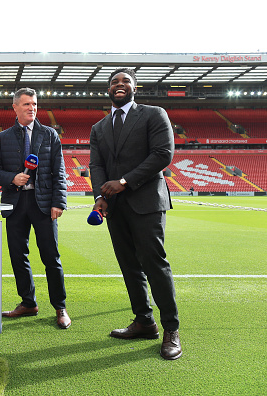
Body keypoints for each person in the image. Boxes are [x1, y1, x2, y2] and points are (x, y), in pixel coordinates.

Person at [89, 68, 182, 360]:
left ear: (134, 88)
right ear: (108, 90)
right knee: (129, 266)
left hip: (146, 202)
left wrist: (124, 182)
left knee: (154, 265)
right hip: (115, 207)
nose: (120, 85)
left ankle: (171, 329)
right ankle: (144, 321)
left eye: (125, 81)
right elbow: (96, 166)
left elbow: (162, 154)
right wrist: (100, 196)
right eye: (114, 82)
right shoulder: (99, 127)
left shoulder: (154, 114)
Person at [0, 87, 70, 329]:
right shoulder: (3, 138)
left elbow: (60, 171)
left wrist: (59, 202)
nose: (32, 108)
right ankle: (28, 302)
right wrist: (12, 178)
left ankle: (60, 307)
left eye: (34, 104)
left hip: (43, 204)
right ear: (15, 107)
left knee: (51, 257)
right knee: (17, 255)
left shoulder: (50, 135)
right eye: (26, 104)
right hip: (15, 203)